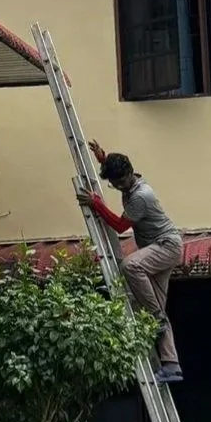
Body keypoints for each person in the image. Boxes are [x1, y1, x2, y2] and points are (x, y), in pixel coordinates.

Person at [77, 142, 184, 386]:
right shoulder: (129, 180)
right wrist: (103, 159)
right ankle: (171, 366)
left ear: (129, 174)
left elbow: (119, 225)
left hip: (165, 246)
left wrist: (97, 203)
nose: (118, 187)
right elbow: (116, 173)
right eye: (114, 184)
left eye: (120, 183)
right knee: (154, 307)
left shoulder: (141, 196)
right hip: (155, 248)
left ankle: (156, 319)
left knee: (131, 266)